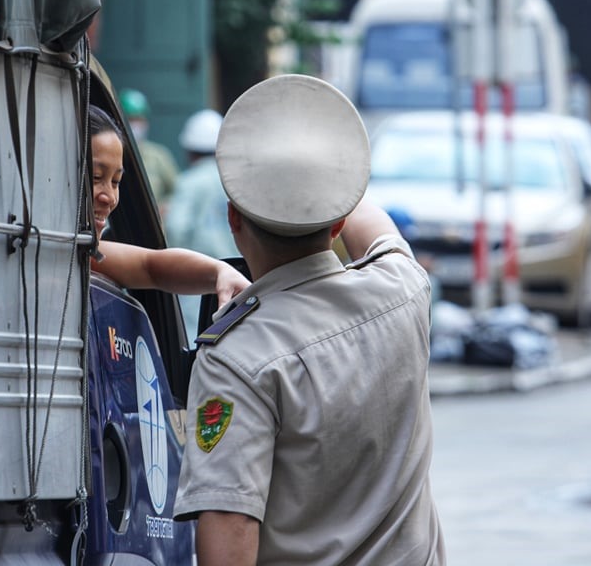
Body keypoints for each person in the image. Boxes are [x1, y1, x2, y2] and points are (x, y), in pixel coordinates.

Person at [173, 75, 446, 565]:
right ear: (338, 222)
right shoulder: (405, 290)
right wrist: (317, 167)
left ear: (234, 222)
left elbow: (229, 532)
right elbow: (371, 221)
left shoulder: (238, 360)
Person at [87, 105, 248, 308]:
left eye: (116, 181)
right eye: (95, 177)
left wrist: (220, 271)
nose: (109, 197)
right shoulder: (232, 182)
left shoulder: (89, 254)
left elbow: (151, 266)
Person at [164, 109, 240, 339]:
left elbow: (176, 229)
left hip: (196, 283)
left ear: (190, 150)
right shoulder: (235, 182)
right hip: (237, 278)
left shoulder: (190, 182)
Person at [118, 88, 179, 215]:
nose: (135, 125)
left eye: (139, 119)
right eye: (130, 119)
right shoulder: (111, 153)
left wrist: (165, 207)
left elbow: (178, 192)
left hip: (151, 227)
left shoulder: (159, 156)